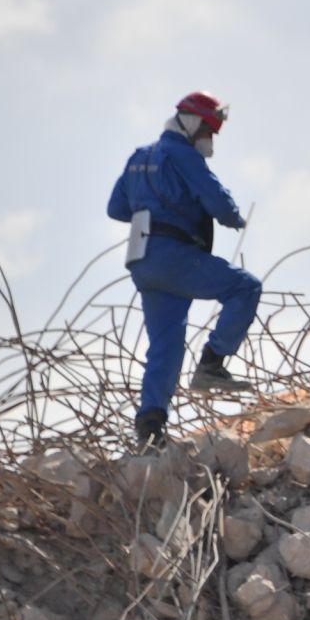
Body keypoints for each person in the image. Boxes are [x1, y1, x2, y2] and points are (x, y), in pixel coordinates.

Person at [105, 92, 264, 447]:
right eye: (209, 130)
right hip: (174, 254)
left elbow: (116, 208)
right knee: (244, 288)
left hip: (144, 262)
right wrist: (233, 217)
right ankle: (212, 364)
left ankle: (150, 425)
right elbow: (216, 201)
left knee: (164, 346)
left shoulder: (138, 157)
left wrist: (151, 201)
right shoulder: (182, 154)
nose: (211, 138)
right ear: (192, 124)